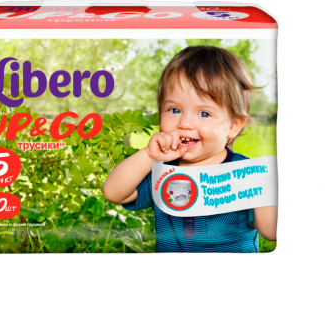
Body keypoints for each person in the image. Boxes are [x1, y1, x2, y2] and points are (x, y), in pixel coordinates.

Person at [103, 46, 277, 252]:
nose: (184, 123)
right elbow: (114, 193)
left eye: (204, 114)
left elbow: (270, 231)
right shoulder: (163, 171)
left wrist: (265, 190)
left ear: (233, 125)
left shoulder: (244, 174)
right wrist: (148, 156)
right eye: (174, 110)